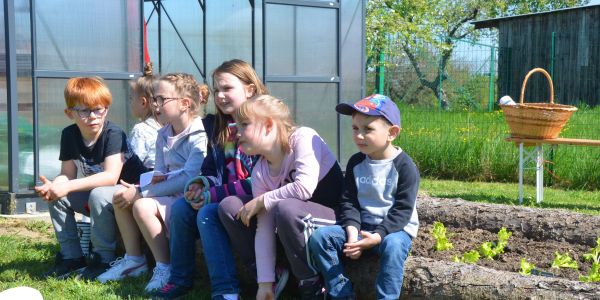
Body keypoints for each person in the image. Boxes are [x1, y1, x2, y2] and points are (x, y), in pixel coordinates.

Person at [153, 59, 267, 300]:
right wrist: (200, 184)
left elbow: (258, 181)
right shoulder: (216, 127)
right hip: (224, 196)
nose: (221, 96)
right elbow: (211, 170)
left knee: (208, 213)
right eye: (217, 90)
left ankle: (225, 290)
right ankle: (179, 278)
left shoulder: (262, 126)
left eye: (227, 89)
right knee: (183, 208)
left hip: (255, 200)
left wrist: (211, 195)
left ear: (250, 89)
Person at [220, 95, 344, 300]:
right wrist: (264, 284)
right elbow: (265, 227)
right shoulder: (260, 170)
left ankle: (311, 282)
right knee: (232, 207)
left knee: (286, 208)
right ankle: (276, 274)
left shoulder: (303, 137)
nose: (237, 134)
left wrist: (262, 200)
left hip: (333, 220)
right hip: (296, 227)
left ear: (268, 125)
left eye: (244, 125)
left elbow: (304, 188)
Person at [97, 73, 208, 293]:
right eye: (155, 99)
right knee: (121, 194)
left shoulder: (199, 135)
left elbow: (189, 179)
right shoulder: (163, 134)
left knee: (140, 203)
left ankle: (164, 266)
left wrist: (143, 193)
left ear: (185, 104)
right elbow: (159, 172)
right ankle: (134, 259)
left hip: (190, 197)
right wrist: (140, 188)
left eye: (161, 99)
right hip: (168, 194)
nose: (155, 105)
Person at [307, 94, 420, 300]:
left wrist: (377, 236)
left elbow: (402, 210)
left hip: (393, 231)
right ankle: (340, 292)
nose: (359, 135)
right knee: (320, 238)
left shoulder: (405, 167)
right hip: (361, 229)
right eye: (355, 128)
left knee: (393, 247)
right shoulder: (355, 163)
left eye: (368, 129)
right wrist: (352, 237)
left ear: (392, 133)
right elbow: (349, 202)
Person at [35, 77, 147, 280]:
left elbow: (110, 177)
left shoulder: (113, 134)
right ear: (70, 113)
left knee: (98, 193)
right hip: (102, 195)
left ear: (107, 109)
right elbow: (67, 174)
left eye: (99, 109)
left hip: (131, 194)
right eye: (84, 111)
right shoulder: (69, 135)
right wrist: (56, 186)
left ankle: (103, 259)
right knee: (58, 198)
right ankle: (71, 258)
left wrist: (68, 186)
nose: (93, 116)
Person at [128, 62, 162, 170]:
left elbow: (133, 164)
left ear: (143, 102)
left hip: (149, 179)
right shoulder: (168, 127)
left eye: (131, 99)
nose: (130, 103)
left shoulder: (140, 130)